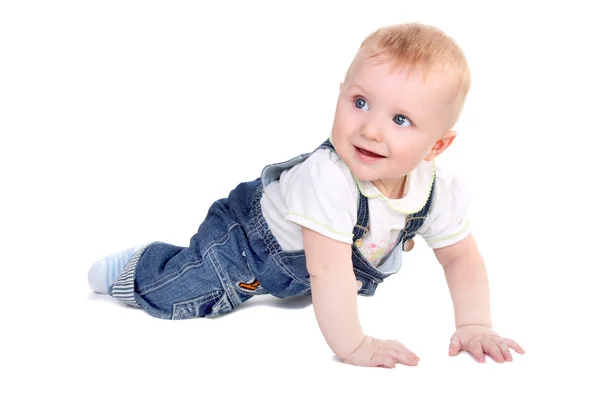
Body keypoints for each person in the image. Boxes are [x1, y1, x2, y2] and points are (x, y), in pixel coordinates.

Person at [88, 22, 524, 368]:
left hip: (307, 263)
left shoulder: (436, 189)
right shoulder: (329, 179)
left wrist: (474, 324)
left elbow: (461, 258)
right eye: (360, 103)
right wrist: (354, 347)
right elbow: (329, 272)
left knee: (309, 274)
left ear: (436, 147)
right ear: (340, 94)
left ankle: (281, 286)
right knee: (188, 292)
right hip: (246, 244)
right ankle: (139, 267)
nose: (370, 128)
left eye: (401, 120)